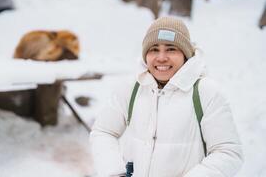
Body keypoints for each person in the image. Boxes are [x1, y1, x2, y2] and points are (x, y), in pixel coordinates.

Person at [90, 17, 243, 177]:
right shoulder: (132, 88)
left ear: (185, 54)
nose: (161, 57)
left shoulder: (206, 92)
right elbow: (103, 131)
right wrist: (115, 172)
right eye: (154, 49)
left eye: (171, 49)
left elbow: (228, 152)